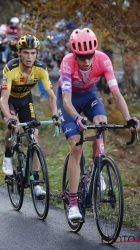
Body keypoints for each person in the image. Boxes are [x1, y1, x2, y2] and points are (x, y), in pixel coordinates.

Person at [57, 28, 140, 221]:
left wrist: (128, 118)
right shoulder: (67, 62)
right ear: (74, 53)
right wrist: (77, 118)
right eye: (81, 57)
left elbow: (116, 93)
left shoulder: (103, 60)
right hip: (69, 101)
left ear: (95, 52)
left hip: (90, 96)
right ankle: (73, 204)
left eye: (89, 56)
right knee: (76, 145)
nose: (86, 61)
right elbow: (67, 100)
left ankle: (97, 166)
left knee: (102, 124)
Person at [0, 34, 58, 197]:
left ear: (37, 54)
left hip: (25, 100)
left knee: (34, 136)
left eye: (33, 53)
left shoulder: (41, 68)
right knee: (14, 128)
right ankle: (8, 155)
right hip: (9, 100)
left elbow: (51, 96)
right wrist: (9, 117)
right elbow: (3, 99)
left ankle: (36, 182)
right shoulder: (11, 68)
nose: (29, 57)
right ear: (19, 53)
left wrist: (55, 114)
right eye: (26, 52)